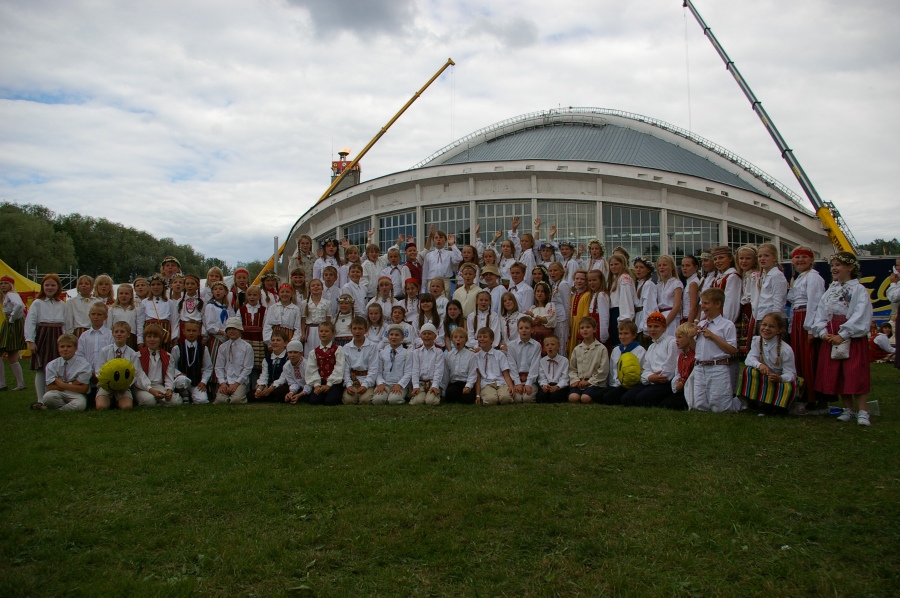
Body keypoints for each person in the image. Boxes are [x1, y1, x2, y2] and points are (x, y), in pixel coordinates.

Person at [811, 252, 873, 426]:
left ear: (850, 267)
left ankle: (863, 411)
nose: (834, 269)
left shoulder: (858, 289)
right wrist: (822, 332)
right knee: (838, 374)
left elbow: (861, 314)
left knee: (854, 372)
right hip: (832, 334)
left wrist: (844, 334)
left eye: (838, 265)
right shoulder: (831, 289)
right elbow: (821, 311)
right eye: (832, 266)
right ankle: (849, 409)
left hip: (850, 335)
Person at [786, 245, 826, 414]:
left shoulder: (813, 277)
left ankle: (815, 398)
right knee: (800, 359)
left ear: (811, 260)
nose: (800, 260)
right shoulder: (799, 278)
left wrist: (810, 328)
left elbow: (814, 303)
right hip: (798, 318)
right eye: (797, 257)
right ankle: (804, 396)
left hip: (806, 319)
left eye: (804, 257)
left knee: (810, 358)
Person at [737, 312, 799, 415]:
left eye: (771, 326)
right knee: (749, 370)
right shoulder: (757, 341)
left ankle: (773, 406)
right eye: (764, 325)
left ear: (779, 330)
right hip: (765, 377)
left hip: (778, 379)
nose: (766, 328)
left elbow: (791, 374)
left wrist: (780, 378)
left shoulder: (786, 349)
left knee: (790, 386)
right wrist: (760, 365)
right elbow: (749, 359)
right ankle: (753, 403)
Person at [691, 288, 741, 413]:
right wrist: (690, 337)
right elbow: (695, 348)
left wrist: (713, 336)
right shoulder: (701, 324)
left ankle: (740, 404)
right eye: (702, 303)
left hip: (717, 367)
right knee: (700, 405)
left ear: (718, 304)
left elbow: (732, 350)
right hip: (700, 367)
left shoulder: (727, 325)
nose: (703, 306)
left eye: (706, 303)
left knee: (721, 408)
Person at [621, 312, 678, 407]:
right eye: (650, 326)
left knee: (642, 398)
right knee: (627, 398)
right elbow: (646, 369)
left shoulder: (671, 342)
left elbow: (670, 368)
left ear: (664, 328)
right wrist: (649, 377)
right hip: (651, 381)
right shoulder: (651, 347)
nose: (652, 330)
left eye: (656, 326)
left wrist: (657, 378)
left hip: (665, 383)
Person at [25, 274, 66, 401]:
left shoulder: (62, 304)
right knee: (41, 368)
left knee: (55, 368)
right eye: (47, 285)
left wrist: (65, 338)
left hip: (58, 336)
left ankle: (51, 397)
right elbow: (30, 321)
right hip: (42, 335)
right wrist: (31, 341)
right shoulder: (37, 303)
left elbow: (65, 323)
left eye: (53, 285)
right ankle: (40, 399)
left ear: (58, 287)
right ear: (42, 287)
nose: (50, 288)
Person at [95, 321, 142, 409]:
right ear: (112, 334)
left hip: (123, 387)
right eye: (116, 332)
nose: (119, 334)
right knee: (101, 407)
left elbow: (135, 373)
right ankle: (108, 399)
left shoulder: (132, 354)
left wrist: (126, 386)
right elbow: (98, 371)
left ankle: (118, 400)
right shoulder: (105, 351)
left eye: (122, 332)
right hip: (107, 386)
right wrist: (107, 384)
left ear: (128, 334)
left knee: (127, 407)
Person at [37, 334, 90, 411]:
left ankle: (54, 410)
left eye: (69, 346)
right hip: (58, 393)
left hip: (76, 394)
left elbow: (83, 389)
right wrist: (73, 383)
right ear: (58, 348)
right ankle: (67, 408)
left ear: (75, 348)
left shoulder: (84, 365)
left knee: (80, 404)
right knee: (47, 397)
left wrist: (61, 384)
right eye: (62, 346)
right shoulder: (52, 365)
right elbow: (51, 387)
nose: (65, 349)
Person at [600, 319, 645, 405]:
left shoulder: (640, 350)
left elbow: (642, 370)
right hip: (616, 384)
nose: (622, 337)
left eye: (626, 333)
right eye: (620, 334)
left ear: (634, 335)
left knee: (608, 398)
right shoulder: (616, 350)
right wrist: (612, 384)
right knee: (598, 396)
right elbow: (612, 370)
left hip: (631, 384)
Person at [75, 302, 114, 400]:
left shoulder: (110, 335)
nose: (96, 317)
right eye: (93, 314)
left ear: (105, 317)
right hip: (88, 372)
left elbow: (111, 355)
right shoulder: (84, 336)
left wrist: (100, 372)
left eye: (99, 314)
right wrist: (89, 371)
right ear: (89, 315)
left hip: (104, 373)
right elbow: (80, 355)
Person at [567, 316, 610, 404]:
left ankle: (590, 395)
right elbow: (572, 368)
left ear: (594, 329)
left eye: (588, 327)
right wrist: (575, 380)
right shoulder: (577, 349)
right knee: (573, 398)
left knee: (585, 398)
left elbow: (603, 370)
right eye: (582, 328)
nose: (585, 330)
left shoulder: (601, 348)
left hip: (595, 383)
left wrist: (589, 382)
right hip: (579, 383)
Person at [170, 320, 213, 405]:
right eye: (188, 330)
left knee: (202, 401)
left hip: (196, 382)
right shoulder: (177, 348)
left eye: (194, 331)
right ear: (183, 331)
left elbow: (208, 367)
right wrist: (179, 374)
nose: (191, 333)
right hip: (183, 380)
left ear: (199, 332)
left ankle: (193, 395)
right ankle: (184, 394)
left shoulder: (203, 348)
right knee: (181, 380)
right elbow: (172, 367)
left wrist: (203, 381)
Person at [213, 317, 254, 404]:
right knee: (220, 400)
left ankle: (235, 396)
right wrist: (222, 383)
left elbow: (247, 368)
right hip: (226, 380)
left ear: (240, 330)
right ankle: (227, 398)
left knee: (237, 400)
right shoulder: (223, 347)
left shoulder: (247, 347)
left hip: (240, 381)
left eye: (234, 329)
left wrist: (236, 383)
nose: (231, 331)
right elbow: (219, 367)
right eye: (229, 329)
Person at [134, 324, 175, 407]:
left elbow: (169, 376)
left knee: (176, 401)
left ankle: (159, 400)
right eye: (149, 337)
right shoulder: (138, 356)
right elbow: (139, 376)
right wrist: (151, 390)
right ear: (145, 339)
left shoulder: (167, 356)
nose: (152, 339)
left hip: (159, 386)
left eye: (155, 337)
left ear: (160, 339)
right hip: (142, 387)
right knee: (149, 401)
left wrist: (169, 389)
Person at [305, 321, 345, 406]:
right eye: (321, 331)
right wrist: (316, 385)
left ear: (333, 334)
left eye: (326, 331)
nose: (323, 333)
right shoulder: (314, 352)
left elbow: (339, 368)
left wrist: (329, 384)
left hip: (334, 382)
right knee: (314, 401)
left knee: (330, 402)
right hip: (321, 381)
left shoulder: (338, 349)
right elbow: (312, 369)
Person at [473, 327, 515, 406]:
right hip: (486, 383)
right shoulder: (476, 357)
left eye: (485, 337)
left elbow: (506, 374)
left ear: (492, 340)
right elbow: (478, 377)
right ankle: (493, 396)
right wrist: (477, 395)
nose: (482, 339)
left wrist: (511, 386)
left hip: (500, 382)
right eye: (479, 337)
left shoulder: (500, 354)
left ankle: (500, 395)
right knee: (490, 400)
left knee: (506, 398)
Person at [342, 316, 379, 405]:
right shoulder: (346, 347)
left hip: (367, 379)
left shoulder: (372, 346)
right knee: (349, 400)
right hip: (353, 381)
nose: (357, 331)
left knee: (365, 400)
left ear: (366, 330)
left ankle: (366, 392)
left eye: (360, 329)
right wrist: (348, 385)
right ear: (351, 330)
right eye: (354, 328)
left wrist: (365, 385)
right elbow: (345, 369)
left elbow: (373, 368)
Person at [659, 322, 696, 411]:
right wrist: (677, 384)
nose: (676, 340)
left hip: (691, 389)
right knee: (663, 403)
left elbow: (693, 375)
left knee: (670, 405)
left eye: (680, 337)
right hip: (681, 388)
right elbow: (678, 373)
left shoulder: (694, 356)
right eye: (676, 337)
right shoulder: (681, 356)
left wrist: (683, 383)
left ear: (689, 338)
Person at [136, 274, 178, 349]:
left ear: (163, 286)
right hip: (149, 334)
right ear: (150, 287)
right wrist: (140, 340)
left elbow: (174, 321)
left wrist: (174, 338)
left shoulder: (170, 302)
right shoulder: (145, 302)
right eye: (153, 285)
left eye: (158, 284)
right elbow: (140, 322)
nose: (156, 287)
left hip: (165, 334)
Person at [0, 275, 26, 391]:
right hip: (12, 323)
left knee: (9, 353)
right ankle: (19, 384)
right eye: (1, 283)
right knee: (11, 355)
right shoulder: (6, 296)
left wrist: (11, 318)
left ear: (11, 285)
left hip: (12, 324)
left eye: (6, 283)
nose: (3, 285)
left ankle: (3, 383)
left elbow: (19, 305)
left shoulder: (11, 294)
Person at [506, 317, 541, 403]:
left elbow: (535, 365)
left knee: (527, 399)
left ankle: (532, 390)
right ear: (518, 330)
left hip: (530, 379)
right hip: (517, 379)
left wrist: (529, 384)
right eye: (521, 328)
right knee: (517, 399)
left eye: (527, 328)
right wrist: (517, 383)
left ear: (532, 330)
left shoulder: (536, 346)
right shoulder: (511, 345)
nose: (524, 330)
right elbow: (512, 365)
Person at [373, 324, 410, 405]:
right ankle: (386, 395)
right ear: (388, 336)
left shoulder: (406, 353)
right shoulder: (382, 353)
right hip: (385, 384)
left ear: (402, 337)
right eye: (391, 334)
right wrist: (380, 383)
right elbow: (378, 371)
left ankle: (401, 395)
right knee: (377, 400)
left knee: (394, 400)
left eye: (397, 335)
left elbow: (408, 372)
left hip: (399, 384)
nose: (394, 337)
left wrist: (399, 384)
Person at [410, 322, 444, 406]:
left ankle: (434, 394)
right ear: (421, 336)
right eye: (424, 334)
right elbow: (415, 370)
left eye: (429, 334)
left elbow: (439, 370)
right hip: (421, 383)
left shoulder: (438, 352)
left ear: (435, 336)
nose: (426, 336)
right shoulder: (416, 352)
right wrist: (416, 386)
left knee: (431, 401)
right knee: (417, 402)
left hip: (432, 382)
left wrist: (435, 385)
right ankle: (421, 394)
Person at [240, 286, 267, 390]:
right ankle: (245, 389)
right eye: (250, 295)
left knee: (256, 365)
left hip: (258, 340)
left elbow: (265, 325)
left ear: (259, 296)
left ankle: (254, 389)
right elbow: (238, 324)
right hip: (245, 339)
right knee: (245, 364)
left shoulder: (263, 310)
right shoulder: (241, 309)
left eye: (255, 295)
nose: (252, 297)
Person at [607, 254, 637, 347]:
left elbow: (626, 300)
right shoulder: (616, 279)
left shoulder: (624, 278)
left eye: (616, 264)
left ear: (623, 264)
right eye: (611, 265)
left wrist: (624, 321)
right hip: (614, 313)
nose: (613, 267)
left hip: (620, 313)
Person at [443, 328, 478, 404]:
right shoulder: (449, 355)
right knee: (450, 393)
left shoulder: (471, 355)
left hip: (465, 382)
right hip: (454, 383)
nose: (458, 339)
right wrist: (444, 389)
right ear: (452, 340)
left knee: (467, 398)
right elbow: (446, 374)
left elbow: (472, 373)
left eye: (461, 337)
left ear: (465, 340)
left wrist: (468, 386)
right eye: (455, 337)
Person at [254, 329, 289, 403]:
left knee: (278, 393)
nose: (275, 342)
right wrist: (259, 389)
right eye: (273, 340)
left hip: (283, 385)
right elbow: (264, 375)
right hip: (270, 385)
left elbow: (283, 378)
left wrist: (271, 388)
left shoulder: (287, 358)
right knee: (251, 395)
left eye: (278, 340)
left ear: (285, 343)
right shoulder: (267, 359)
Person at [302, 279, 333, 358]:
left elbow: (328, 320)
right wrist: (303, 333)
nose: (316, 287)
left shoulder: (327, 303)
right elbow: (303, 320)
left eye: (318, 285)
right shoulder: (304, 303)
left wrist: (329, 332)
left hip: (322, 330)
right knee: (310, 352)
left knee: (322, 351)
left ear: (322, 288)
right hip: (309, 331)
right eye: (313, 286)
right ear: (309, 289)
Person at [655, 255, 684, 337]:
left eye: (664, 265)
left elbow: (677, 306)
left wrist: (665, 323)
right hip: (660, 317)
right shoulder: (658, 285)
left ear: (671, 267)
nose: (661, 267)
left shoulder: (676, 283)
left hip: (672, 317)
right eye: (659, 265)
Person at [277, 340, 312, 404]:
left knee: (312, 398)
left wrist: (300, 395)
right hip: (298, 388)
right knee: (280, 392)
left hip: (309, 388)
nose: (292, 355)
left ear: (301, 353)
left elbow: (310, 383)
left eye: (295, 352)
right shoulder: (286, 366)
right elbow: (292, 382)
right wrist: (291, 393)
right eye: (290, 352)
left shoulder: (307, 365)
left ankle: (298, 397)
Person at [537, 334, 569, 403]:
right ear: (544, 348)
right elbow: (541, 376)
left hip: (559, 386)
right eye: (547, 345)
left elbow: (565, 377)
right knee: (541, 396)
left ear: (558, 346)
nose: (550, 347)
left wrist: (557, 386)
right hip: (547, 385)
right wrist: (544, 385)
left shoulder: (564, 360)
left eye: (552, 344)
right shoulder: (542, 361)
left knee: (555, 397)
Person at [632, 257, 657, 342]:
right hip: (638, 321)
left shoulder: (648, 284)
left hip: (643, 322)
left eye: (641, 267)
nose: (638, 270)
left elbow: (649, 306)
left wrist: (646, 327)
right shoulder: (638, 284)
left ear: (648, 270)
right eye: (636, 267)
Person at [526, 281, 555, 351]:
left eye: (542, 291)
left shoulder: (549, 305)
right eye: (538, 291)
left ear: (546, 294)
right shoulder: (533, 308)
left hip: (545, 337)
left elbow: (548, 320)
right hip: (534, 337)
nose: (539, 293)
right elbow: (529, 322)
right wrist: (533, 322)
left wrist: (534, 316)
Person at [680, 255, 701, 325]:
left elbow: (693, 307)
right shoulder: (689, 282)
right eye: (683, 266)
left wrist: (688, 324)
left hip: (689, 318)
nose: (684, 268)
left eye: (688, 266)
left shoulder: (693, 283)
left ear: (695, 267)